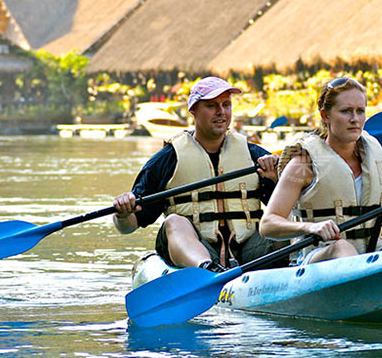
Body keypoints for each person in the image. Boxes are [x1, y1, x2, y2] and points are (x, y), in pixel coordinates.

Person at [113, 76, 282, 273]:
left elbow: (287, 209)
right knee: (174, 222)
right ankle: (208, 270)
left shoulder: (255, 156)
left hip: (251, 252)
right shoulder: (168, 160)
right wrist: (122, 214)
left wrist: (276, 179)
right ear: (193, 110)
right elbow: (128, 226)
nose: (221, 112)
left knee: (284, 220)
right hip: (198, 253)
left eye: (226, 105)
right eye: (211, 106)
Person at [260, 77, 382, 265]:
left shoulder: (376, 156)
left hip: (373, 251)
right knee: (342, 248)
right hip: (323, 254)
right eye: (346, 111)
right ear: (325, 116)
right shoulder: (303, 162)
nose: (355, 119)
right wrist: (311, 227)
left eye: (360, 111)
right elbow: (268, 224)